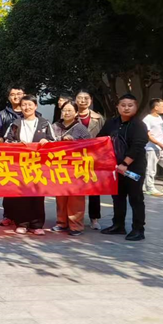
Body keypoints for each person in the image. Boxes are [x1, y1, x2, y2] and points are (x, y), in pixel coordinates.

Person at [99, 94, 149, 241]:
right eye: (123, 105)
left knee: (136, 198)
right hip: (115, 168)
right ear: (118, 107)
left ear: (136, 107)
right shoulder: (111, 123)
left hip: (133, 168)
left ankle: (138, 229)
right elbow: (100, 139)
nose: (126, 108)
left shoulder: (139, 125)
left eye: (130, 105)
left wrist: (125, 164)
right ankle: (118, 225)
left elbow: (138, 146)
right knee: (117, 197)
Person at [4, 94, 54, 235]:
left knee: (38, 194)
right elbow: (7, 142)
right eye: (24, 105)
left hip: (38, 165)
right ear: (20, 107)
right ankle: (22, 223)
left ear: (35, 106)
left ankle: (37, 225)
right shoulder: (15, 124)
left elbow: (54, 141)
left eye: (30, 105)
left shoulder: (45, 123)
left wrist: (47, 142)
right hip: (20, 165)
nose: (27, 107)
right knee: (21, 195)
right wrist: (17, 144)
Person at [50, 100, 91, 236]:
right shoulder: (54, 126)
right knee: (60, 196)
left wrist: (74, 142)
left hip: (76, 168)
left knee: (75, 198)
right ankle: (61, 223)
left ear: (76, 113)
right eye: (64, 110)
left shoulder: (81, 129)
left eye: (70, 110)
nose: (66, 113)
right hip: (59, 167)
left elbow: (90, 147)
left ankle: (76, 226)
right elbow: (49, 142)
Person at [0, 85, 24, 226]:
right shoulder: (2, 114)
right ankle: (8, 215)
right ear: (9, 97)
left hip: (27, 158)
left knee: (25, 186)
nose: (16, 97)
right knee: (9, 185)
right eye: (13, 94)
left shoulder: (32, 112)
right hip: (9, 156)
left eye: (19, 93)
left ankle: (23, 217)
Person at [75, 90, 106, 229]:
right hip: (75, 158)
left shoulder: (98, 118)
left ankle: (94, 219)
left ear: (91, 100)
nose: (83, 100)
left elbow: (104, 137)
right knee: (76, 189)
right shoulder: (70, 115)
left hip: (94, 157)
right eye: (80, 98)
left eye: (86, 98)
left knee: (94, 190)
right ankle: (76, 218)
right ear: (75, 100)